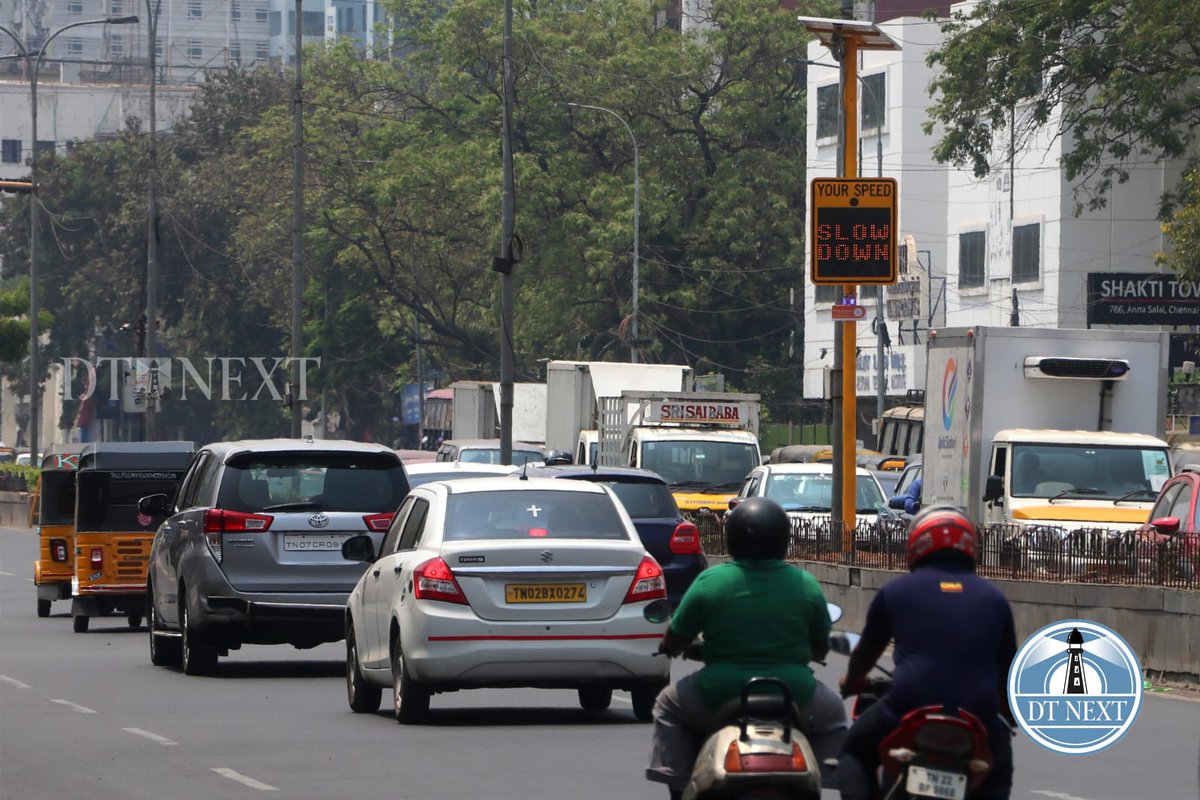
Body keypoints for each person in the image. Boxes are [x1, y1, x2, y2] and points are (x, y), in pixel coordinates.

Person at [647, 497, 848, 799]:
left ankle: (678, 784)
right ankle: (823, 778)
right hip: (794, 691)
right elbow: (820, 647)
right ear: (783, 540)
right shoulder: (805, 584)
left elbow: (676, 636)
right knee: (835, 714)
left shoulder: (710, 581)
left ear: (733, 537)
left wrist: (674, 648)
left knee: (666, 705)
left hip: (717, 691)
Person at [837, 505, 1017, 800]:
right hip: (977, 716)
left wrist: (854, 682)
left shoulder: (896, 592)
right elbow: (1007, 671)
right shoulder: (995, 600)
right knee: (999, 768)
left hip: (906, 707)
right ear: (971, 547)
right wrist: (1008, 715)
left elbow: (866, 653)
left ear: (916, 544)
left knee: (854, 751)